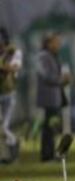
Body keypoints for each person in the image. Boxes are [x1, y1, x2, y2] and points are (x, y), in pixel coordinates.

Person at [36, 32, 70, 162]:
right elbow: (46, 76)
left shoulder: (52, 56)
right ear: (48, 43)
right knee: (49, 128)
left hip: (56, 97)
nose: (58, 45)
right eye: (56, 42)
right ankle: (47, 155)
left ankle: (51, 154)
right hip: (49, 98)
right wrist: (62, 80)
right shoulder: (43, 56)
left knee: (53, 127)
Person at [0, 27, 22, 163]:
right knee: (1, 126)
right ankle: (8, 152)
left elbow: (14, 67)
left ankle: (12, 150)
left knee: (4, 126)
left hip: (9, 93)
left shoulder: (14, 52)